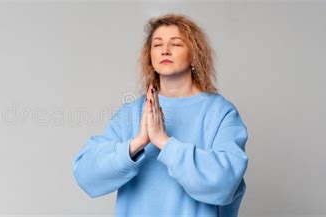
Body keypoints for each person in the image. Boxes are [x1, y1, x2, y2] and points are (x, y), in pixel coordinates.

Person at [72, 13, 249, 217]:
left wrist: (164, 142)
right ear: (150, 56)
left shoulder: (220, 113)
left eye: (176, 44)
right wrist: (137, 143)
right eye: (157, 45)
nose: (165, 50)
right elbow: (86, 174)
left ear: (194, 54)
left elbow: (225, 182)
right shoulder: (132, 112)